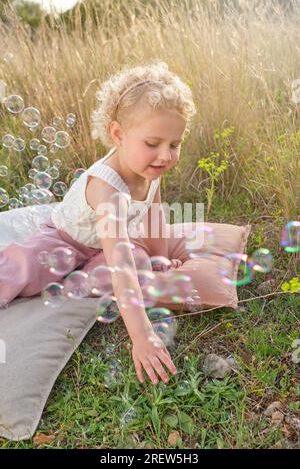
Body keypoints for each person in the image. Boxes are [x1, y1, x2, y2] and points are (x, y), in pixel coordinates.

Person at [0, 60, 199, 385]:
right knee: (26, 268)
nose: (165, 156)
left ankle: (70, 285)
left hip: (100, 248)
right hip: (64, 239)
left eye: (174, 145)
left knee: (138, 262)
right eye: (153, 144)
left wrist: (160, 261)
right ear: (118, 134)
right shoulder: (107, 187)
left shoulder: (151, 173)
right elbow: (118, 260)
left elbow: (153, 217)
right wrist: (142, 334)